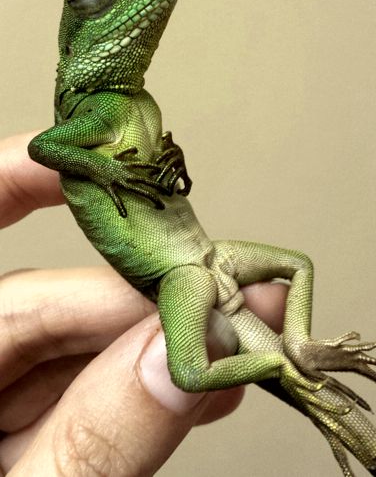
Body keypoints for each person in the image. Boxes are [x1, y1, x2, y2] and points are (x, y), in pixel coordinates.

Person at [0, 132, 288, 476]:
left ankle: (293, 358)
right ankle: (286, 365)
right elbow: (41, 147)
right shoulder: (94, 114)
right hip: (177, 275)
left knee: (294, 274)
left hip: (193, 264)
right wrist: (105, 169)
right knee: (196, 370)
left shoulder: (138, 108)